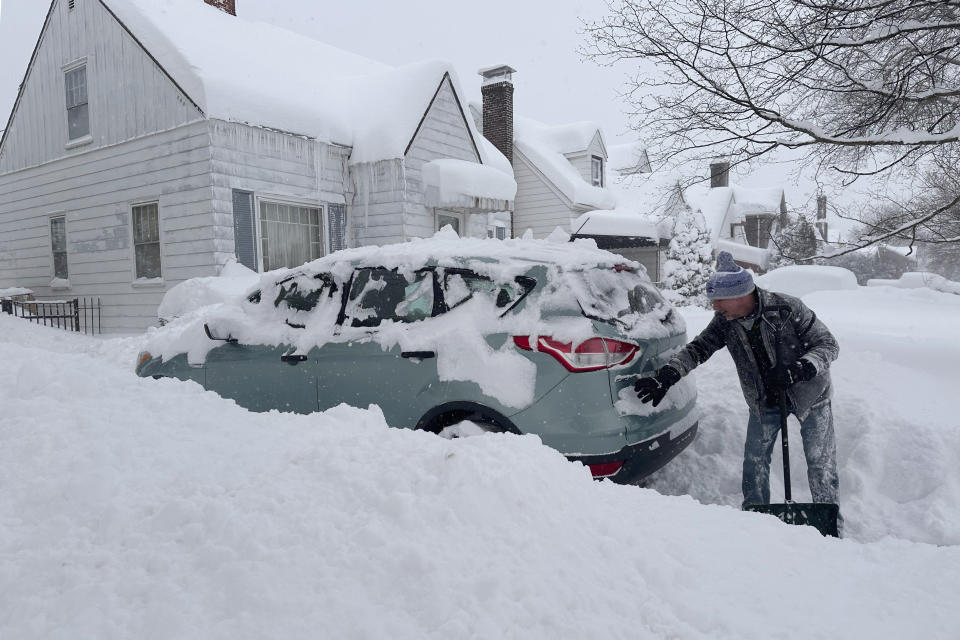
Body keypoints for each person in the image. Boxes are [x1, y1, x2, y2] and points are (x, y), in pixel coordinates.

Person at [635, 251, 840, 511]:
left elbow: (828, 344)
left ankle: (828, 521)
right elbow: (699, 348)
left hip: (811, 394)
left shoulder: (787, 308)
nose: (715, 307)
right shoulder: (726, 321)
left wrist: (800, 368)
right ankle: (754, 516)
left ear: (741, 295)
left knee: (820, 462)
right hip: (764, 398)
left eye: (720, 300)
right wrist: (667, 376)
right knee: (755, 463)